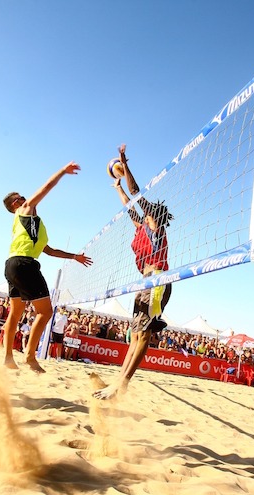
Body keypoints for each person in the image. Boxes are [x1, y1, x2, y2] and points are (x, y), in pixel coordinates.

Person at [94, 144, 174, 400]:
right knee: (135, 335)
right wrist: (117, 187)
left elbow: (137, 193)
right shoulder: (141, 227)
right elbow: (130, 204)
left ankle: (122, 384)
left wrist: (125, 165)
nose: (144, 215)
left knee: (143, 337)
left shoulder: (156, 228)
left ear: (154, 217)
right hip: (144, 283)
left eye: (148, 214)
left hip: (158, 280)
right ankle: (119, 383)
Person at [1, 161, 93, 371]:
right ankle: (30, 356)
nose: (26, 199)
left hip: (12, 264)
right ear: (16, 204)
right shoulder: (24, 211)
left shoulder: (32, 225)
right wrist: (63, 171)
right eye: (22, 198)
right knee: (45, 312)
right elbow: (46, 188)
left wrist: (74, 257)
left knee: (15, 314)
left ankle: (7, 358)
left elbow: (50, 251)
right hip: (24, 264)